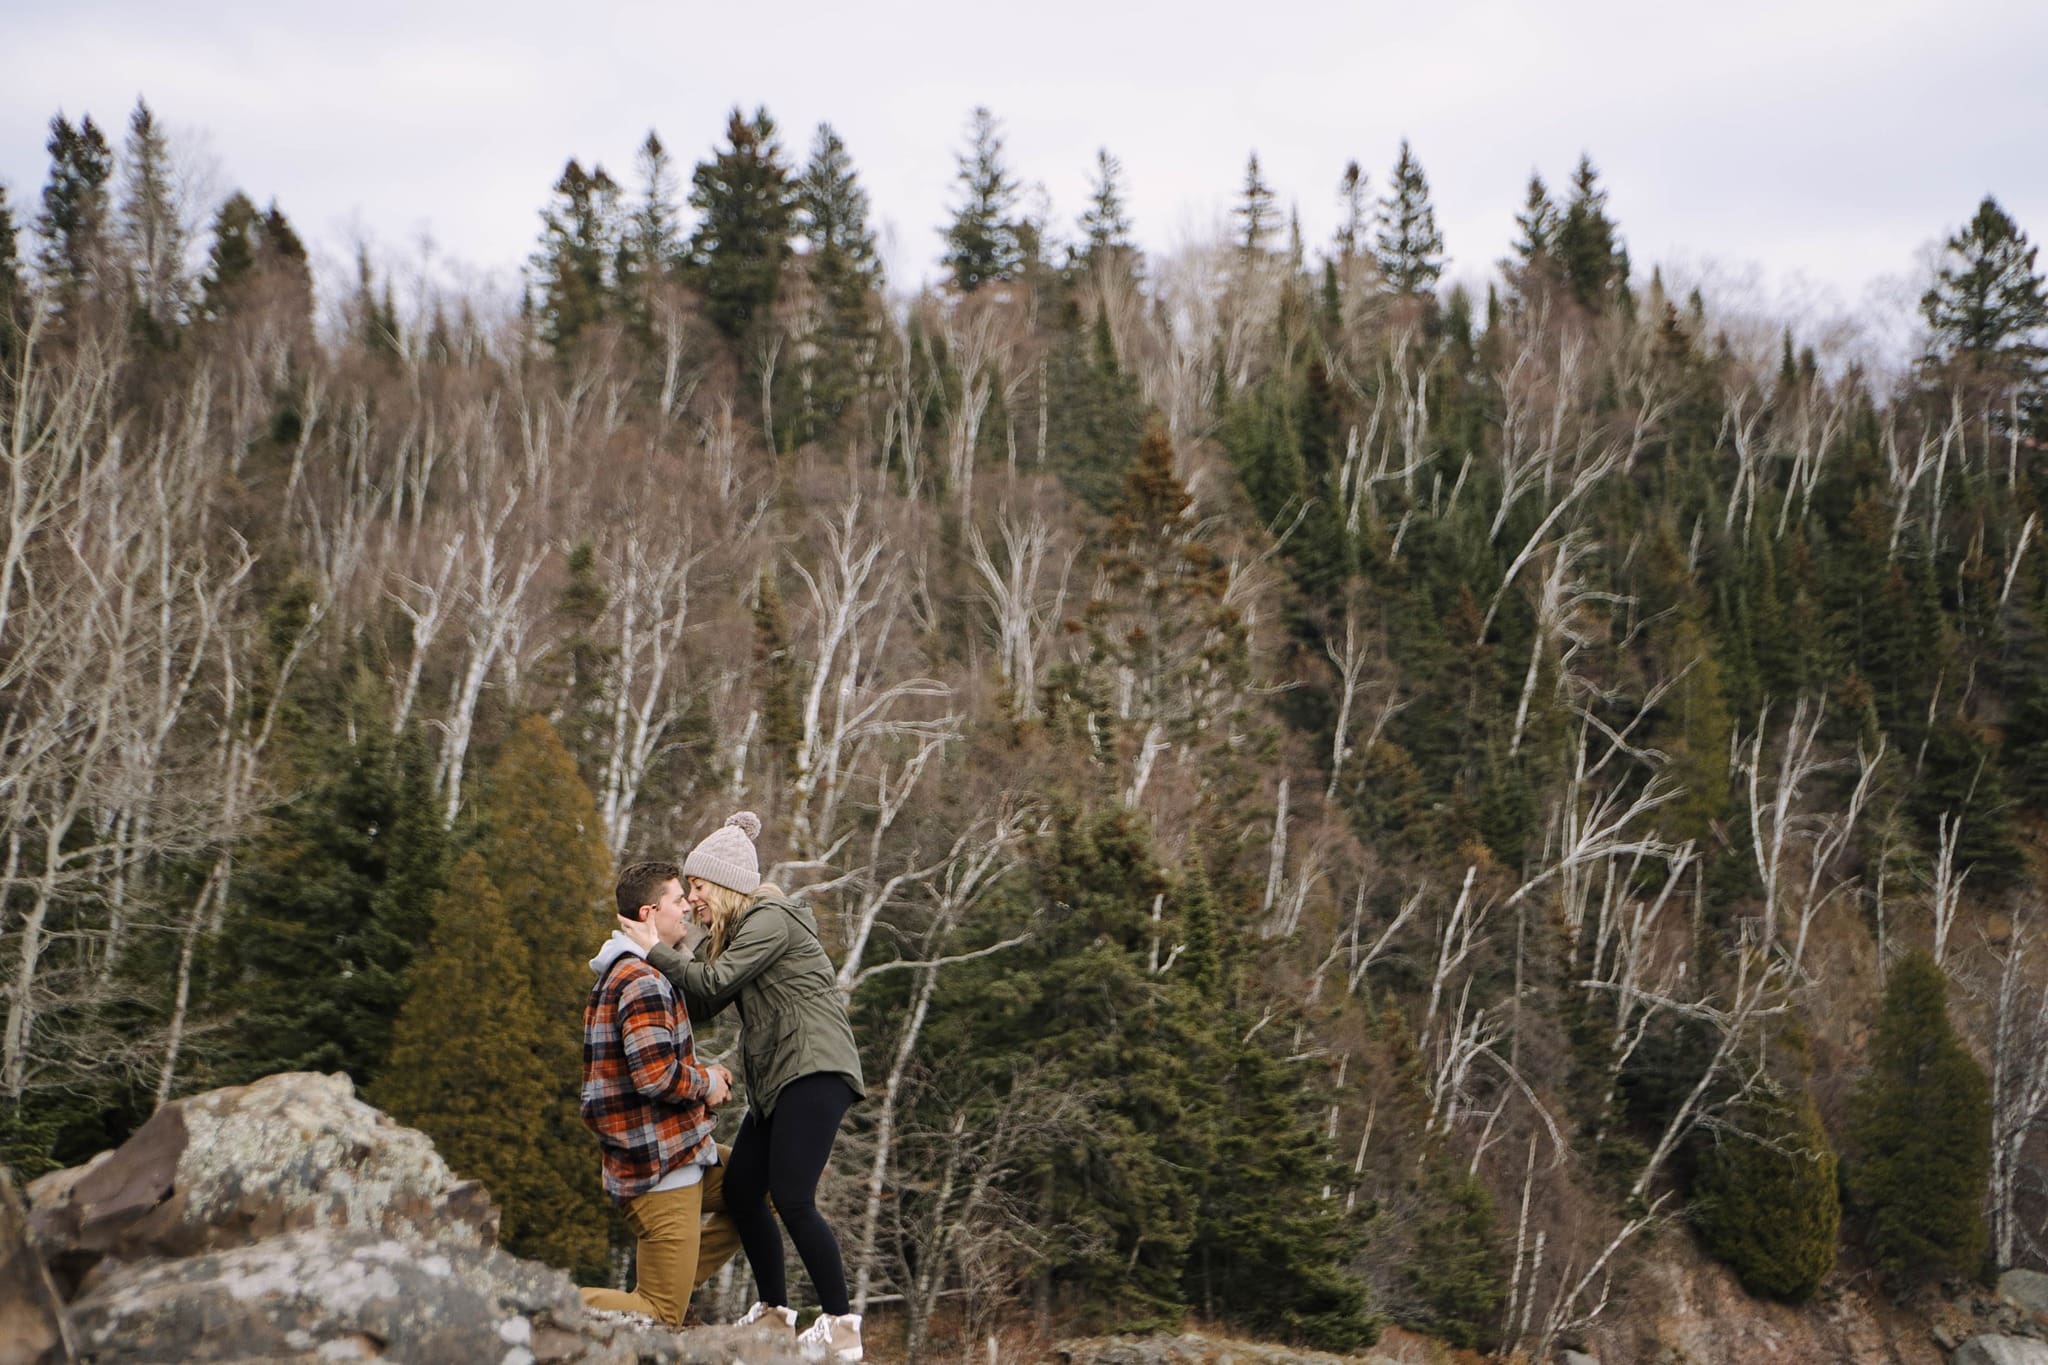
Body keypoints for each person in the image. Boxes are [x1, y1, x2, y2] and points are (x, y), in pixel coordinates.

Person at [620, 812, 867, 1363]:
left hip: (815, 1069)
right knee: (741, 1191)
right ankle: (777, 1316)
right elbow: (706, 1003)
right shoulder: (735, 935)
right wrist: (661, 957)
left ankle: (842, 1325)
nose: (693, 898)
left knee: (793, 1196)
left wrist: (653, 948)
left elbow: (708, 982)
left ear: (726, 884)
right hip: (779, 1080)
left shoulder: (769, 919)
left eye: (699, 886)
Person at [580, 860, 743, 1326]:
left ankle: (679, 1274)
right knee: (660, 1313)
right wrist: (707, 1082)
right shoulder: (641, 980)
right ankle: (531, 1303)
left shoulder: (637, 973)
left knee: (758, 1186)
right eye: (679, 900)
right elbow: (654, 1076)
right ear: (650, 913)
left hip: (679, 1153)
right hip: (660, 1165)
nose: (689, 907)